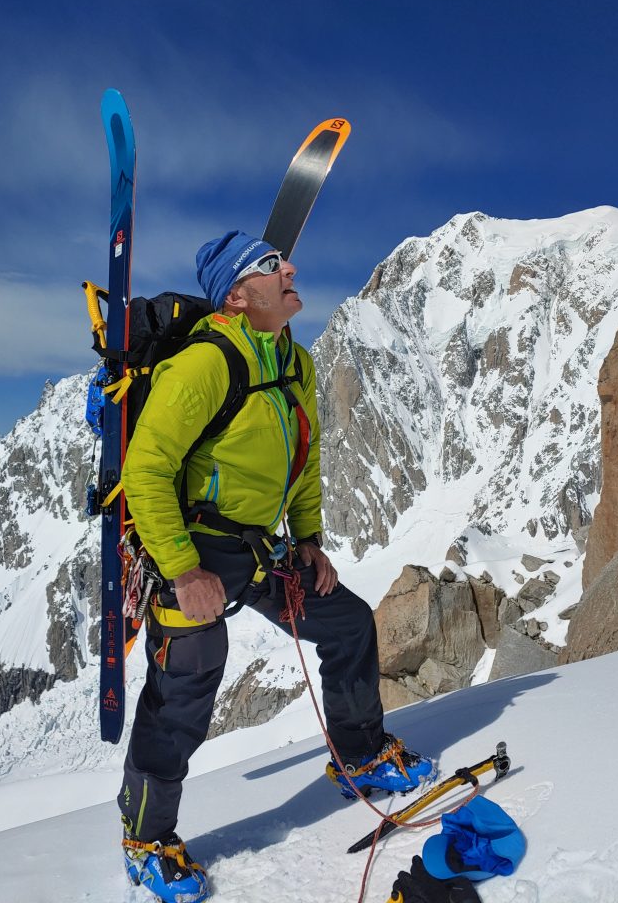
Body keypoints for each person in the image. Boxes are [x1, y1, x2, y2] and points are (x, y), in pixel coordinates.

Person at [117, 230, 434, 902]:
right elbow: (145, 470)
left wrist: (310, 538)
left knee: (346, 622)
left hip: (261, 547)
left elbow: (306, 458)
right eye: (269, 265)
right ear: (236, 296)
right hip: (194, 548)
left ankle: (359, 757)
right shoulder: (203, 366)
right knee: (185, 688)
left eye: (281, 260)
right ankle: (146, 838)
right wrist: (182, 570)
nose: (289, 267)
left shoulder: (296, 362)